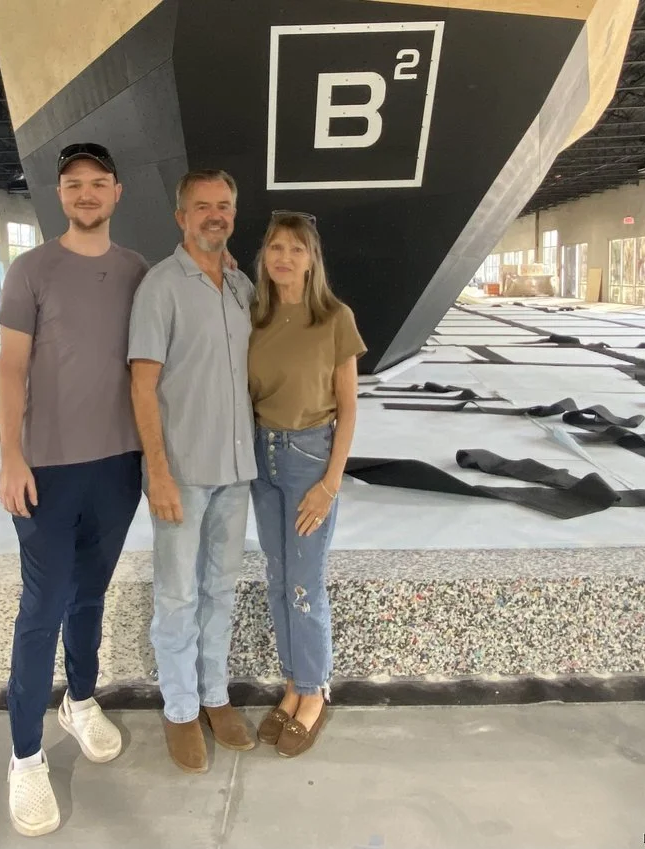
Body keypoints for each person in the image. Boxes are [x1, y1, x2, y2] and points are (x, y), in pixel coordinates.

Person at [0, 142, 149, 837]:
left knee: (90, 594)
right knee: (43, 606)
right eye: (73, 184)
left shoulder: (137, 271)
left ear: (117, 193)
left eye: (98, 183)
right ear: (61, 195)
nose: (86, 194)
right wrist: (11, 456)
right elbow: (10, 370)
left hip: (119, 465)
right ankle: (25, 757)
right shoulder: (31, 270)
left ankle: (80, 699)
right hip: (49, 468)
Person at [127, 169, 257, 774]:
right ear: (181, 217)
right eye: (202, 206)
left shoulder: (241, 287)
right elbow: (143, 385)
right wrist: (158, 471)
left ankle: (215, 696)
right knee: (178, 595)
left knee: (221, 590)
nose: (214, 215)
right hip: (182, 471)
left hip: (236, 471)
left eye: (223, 206)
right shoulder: (161, 287)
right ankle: (180, 708)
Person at [247, 211, 365, 758]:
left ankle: (315, 690)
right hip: (261, 457)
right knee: (277, 577)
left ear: (311, 257)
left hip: (308, 458)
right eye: (276, 248)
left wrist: (330, 483)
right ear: (264, 256)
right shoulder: (254, 314)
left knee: (304, 584)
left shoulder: (335, 317)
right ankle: (292, 683)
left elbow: (348, 408)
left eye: (296, 249)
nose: (285, 258)